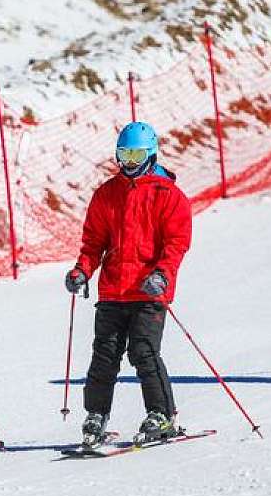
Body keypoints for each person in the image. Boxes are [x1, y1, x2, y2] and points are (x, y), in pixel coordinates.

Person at [64, 122, 192, 447]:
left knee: (144, 351)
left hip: (149, 291)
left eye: (136, 154)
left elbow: (176, 244)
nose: (129, 162)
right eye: (124, 154)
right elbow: (93, 242)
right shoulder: (107, 194)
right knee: (104, 355)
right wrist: (82, 270)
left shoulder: (169, 196)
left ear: (151, 154)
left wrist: (162, 274)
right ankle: (96, 415)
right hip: (113, 290)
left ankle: (162, 413)